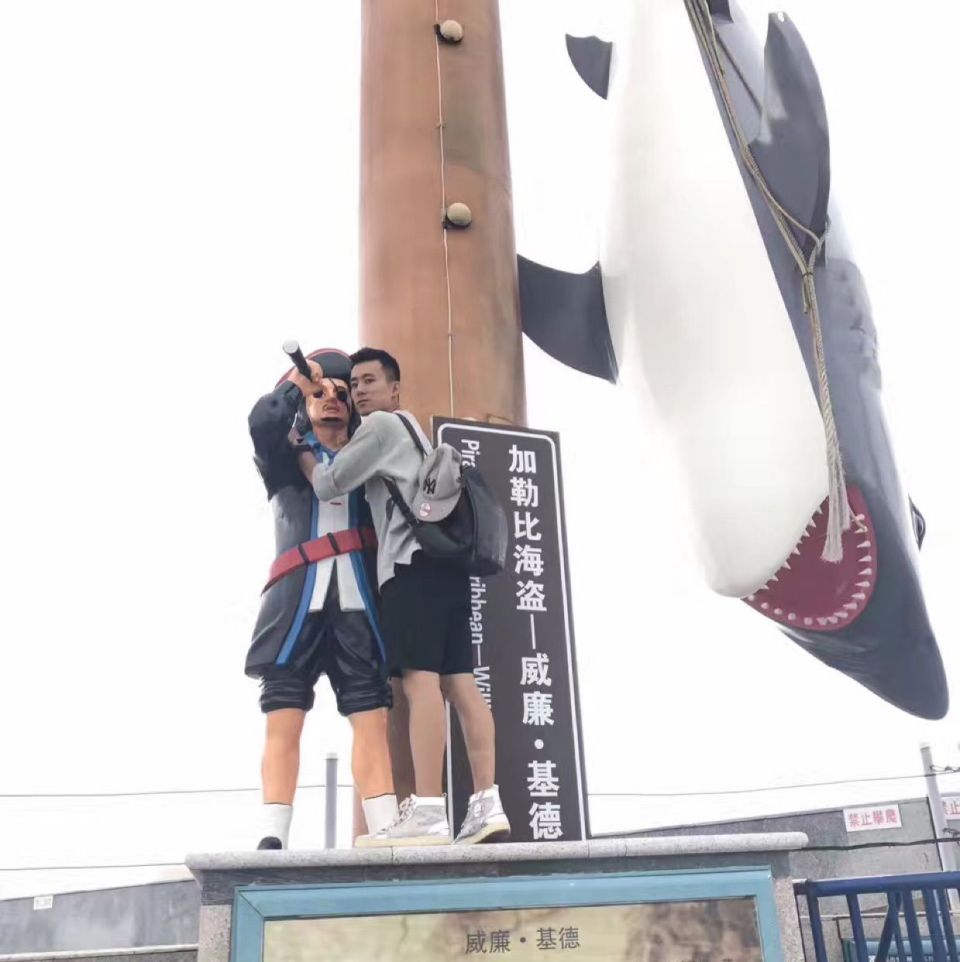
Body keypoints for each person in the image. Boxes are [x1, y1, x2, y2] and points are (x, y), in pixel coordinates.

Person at [289, 347, 510, 846]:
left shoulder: (380, 427)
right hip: (449, 569)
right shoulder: (414, 433)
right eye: (355, 384)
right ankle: (486, 803)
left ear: (394, 390)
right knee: (461, 685)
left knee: (419, 683)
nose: (359, 391)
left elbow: (328, 483)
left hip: (411, 568)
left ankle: (428, 809)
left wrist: (300, 449)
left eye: (369, 381)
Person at [245, 349, 397, 850]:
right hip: (295, 604)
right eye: (320, 392)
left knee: (370, 715)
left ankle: (385, 829)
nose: (331, 399)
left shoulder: (373, 458)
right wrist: (297, 381)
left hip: (359, 602)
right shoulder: (283, 460)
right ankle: (272, 832)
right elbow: (262, 420)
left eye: (341, 392)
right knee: (283, 715)